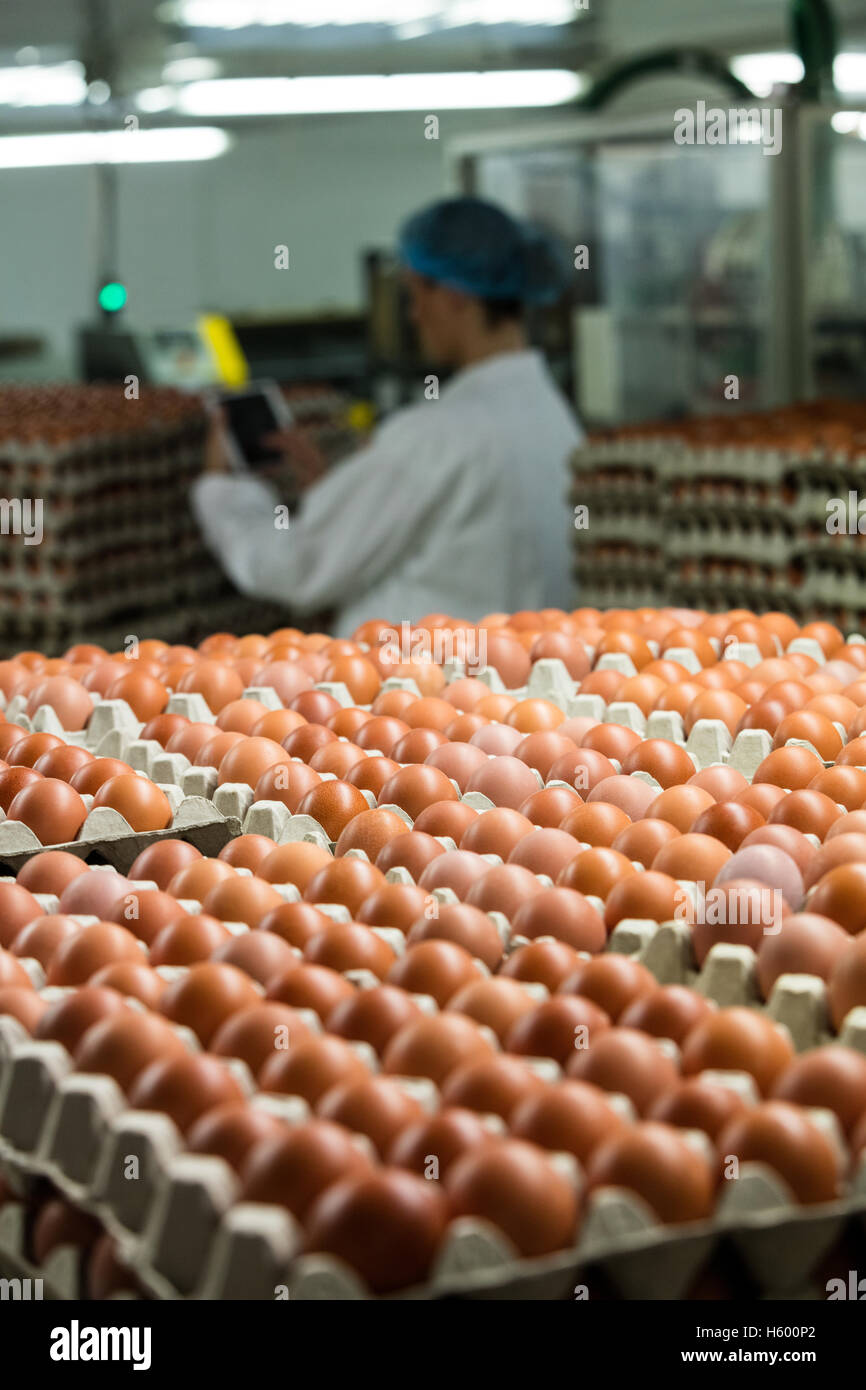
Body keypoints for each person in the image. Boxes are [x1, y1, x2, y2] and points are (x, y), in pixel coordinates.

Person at [191, 196, 583, 638]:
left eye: (416, 295)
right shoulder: (552, 417)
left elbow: (299, 566)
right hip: (503, 682)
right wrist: (335, 494)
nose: (414, 316)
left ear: (453, 296)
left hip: (423, 692)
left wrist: (222, 491)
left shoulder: (435, 436)